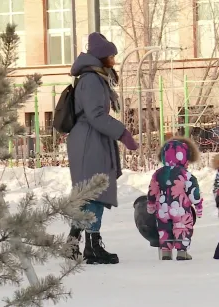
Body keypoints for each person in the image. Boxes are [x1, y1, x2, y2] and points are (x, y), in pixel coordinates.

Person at [66, 32, 139, 265]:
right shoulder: (91, 79)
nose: (114, 60)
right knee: (95, 193)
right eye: (111, 56)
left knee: (87, 194)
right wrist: (122, 133)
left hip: (89, 139)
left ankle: (73, 243)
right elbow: (96, 115)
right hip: (90, 140)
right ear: (101, 57)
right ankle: (93, 247)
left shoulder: (94, 77)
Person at [146, 138, 204, 261]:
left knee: (164, 227)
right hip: (181, 208)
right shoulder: (185, 174)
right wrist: (198, 206)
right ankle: (182, 252)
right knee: (182, 227)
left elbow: (152, 190)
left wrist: (151, 204)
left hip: (162, 208)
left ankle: (166, 252)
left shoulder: (158, 173)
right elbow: (193, 191)